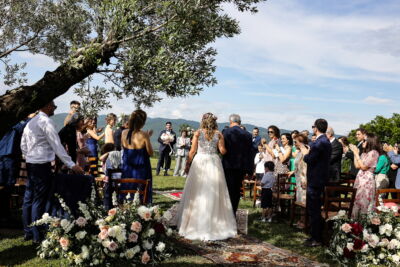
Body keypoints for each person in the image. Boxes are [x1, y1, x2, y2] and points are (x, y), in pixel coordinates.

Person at [20, 101, 84, 243]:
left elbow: (23, 145)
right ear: (47, 106)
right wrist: (71, 164)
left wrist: (29, 156)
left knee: (28, 198)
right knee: (39, 199)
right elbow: (57, 146)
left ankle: (27, 231)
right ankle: (37, 235)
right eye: (53, 106)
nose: (55, 108)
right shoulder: (46, 122)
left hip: (31, 163)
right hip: (41, 164)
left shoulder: (30, 123)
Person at [176, 113, 237, 240]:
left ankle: (193, 222)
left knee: (196, 190)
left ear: (203, 121)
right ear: (214, 122)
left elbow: (192, 151)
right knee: (213, 190)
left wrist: (187, 164)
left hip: (200, 161)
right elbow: (223, 151)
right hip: (214, 162)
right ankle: (214, 222)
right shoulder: (219, 134)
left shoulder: (198, 133)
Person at [299, 119, 332, 247]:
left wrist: (305, 152)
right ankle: (314, 236)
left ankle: (316, 238)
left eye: (313, 126)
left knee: (314, 209)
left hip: (316, 179)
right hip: (319, 178)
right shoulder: (324, 141)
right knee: (314, 209)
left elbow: (310, 159)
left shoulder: (320, 142)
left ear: (315, 128)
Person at [0, 114, 34, 222]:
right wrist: (31, 118)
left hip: (9, 156)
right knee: (5, 185)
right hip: (7, 156)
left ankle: (5, 213)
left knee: (7, 186)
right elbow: (20, 128)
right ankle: (4, 214)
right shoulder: (11, 123)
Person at [222, 114, 253, 215]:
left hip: (228, 165)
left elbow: (221, 149)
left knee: (227, 189)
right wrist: (250, 170)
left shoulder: (225, 132)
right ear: (240, 122)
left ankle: (226, 212)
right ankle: (233, 212)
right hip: (241, 166)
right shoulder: (247, 134)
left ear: (230, 121)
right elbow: (250, 153)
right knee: (236, 191)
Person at [121, 110, 153, 203]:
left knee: (127, 188)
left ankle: (125, 206)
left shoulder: (124, 133)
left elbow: (124, 147)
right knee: (141, 190)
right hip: (141, 168)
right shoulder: (144, 135)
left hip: (127, 167)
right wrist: (148, 138)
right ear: (142, 122)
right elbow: (150, 153)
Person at [349, 133, 379, 219]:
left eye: (364, 141)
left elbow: (364, 167)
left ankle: (364, 224)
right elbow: (357, 166)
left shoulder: (374, 153)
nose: (363, 142)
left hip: (367, 180)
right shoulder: (365, 153)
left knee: (365, 201)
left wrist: (356, 154)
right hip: (360, 178)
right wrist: (356, 154)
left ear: (370, 141)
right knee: (357, 200)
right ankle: (355, 223)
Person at [288, 133, 308, 228]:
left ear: (301, 142)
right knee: (300, 200)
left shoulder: (306, 151)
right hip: (298, 178)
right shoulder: (299, 152)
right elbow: (298, 165)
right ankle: (300, 220)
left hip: (304, 179)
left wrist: (304, 180)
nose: (294, 144)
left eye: (295, 142)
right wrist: (293, 171)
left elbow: (305, 166)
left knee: (303, 201)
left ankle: (304, 222)